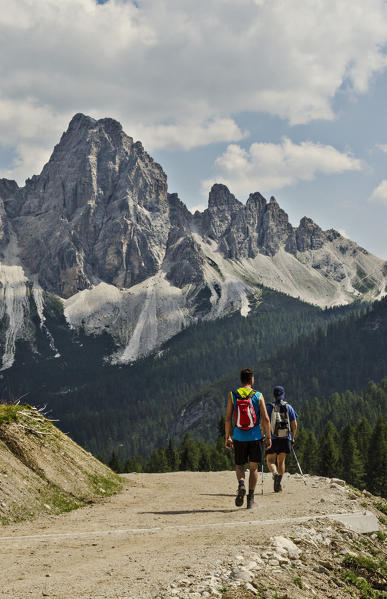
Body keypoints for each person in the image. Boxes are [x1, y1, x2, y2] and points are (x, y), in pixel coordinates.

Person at [225, 368, 271, 509]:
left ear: (241, 380)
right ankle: (250, 499)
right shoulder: (258, 395)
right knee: (253, 468)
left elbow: (227, 419)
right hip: (256, 436)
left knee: (240, 466)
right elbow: (266, 419)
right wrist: (268, 437)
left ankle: (241, 484)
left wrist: (227, 437)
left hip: (239, 436)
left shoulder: (233, 395)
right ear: (252, 380)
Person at [266, 385, 298, 492]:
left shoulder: (269, 407)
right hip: (285, 438)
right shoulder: (288, 407)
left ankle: (275, 474)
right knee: (281, 461)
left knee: (270, 460)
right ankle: (278, 483)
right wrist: (292, 438)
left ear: (274, 395)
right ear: (283, 395)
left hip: (273, 438)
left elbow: (263, 423)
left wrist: (265, 436)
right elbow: (294, 425)